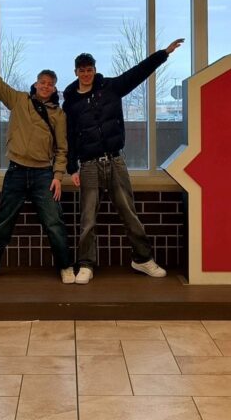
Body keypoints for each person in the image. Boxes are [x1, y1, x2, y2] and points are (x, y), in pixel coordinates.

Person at [63, 39, 186, 284]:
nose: (86, 74)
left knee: (129, 212)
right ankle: (85, 264)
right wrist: (71, 167)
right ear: (76, 72)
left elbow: (138, 72)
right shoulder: (71, 103)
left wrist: (163, 54)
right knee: (87, 219)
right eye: (82, 70)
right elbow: (68, 137)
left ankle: (142, 258)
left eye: (90, 69)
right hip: (88, 165)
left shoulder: (111, 88)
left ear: (95, 70)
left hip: (116, 161)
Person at [0, 37, 75, 284]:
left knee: (54, 222)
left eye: (50, 84)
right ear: (35, 84)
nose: (46, 86)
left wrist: (58, 177)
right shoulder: (18, 100)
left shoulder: (59, 115)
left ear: (55, 89)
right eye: (42, 82)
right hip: (16, 171)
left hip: (43, 175)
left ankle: (66, 266)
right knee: (4, 221)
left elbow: (62, 149)